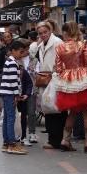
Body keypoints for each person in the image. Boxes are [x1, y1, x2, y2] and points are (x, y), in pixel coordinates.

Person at [54, 21, 87, 153]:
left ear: (65, 32)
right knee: (86, 112)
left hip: (68, 81)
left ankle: (65, 140)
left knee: (71, 112)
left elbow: (58, 67)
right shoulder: (82, 44)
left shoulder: (60, 47)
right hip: (83, 78)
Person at [35, 20, 67, 150]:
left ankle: (57, 139)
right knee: (48, 109)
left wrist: (56, 72)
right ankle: (53, 138)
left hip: (55, 78)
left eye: (45, 32)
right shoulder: (41, 44)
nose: (43, 35)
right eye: (40, 33)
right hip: (45, 78)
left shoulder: (58, 43)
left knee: (57, 109)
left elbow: (63, 60)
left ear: (50, 31)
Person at [0, 39, 29, 155]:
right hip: (10, 94)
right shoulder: (12, 63)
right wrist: (17, 95)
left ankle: (6, 143)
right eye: (20, 52)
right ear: (13, 51)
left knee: (7, 118)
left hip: (7, 93)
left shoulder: (10, 61)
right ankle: (11, 143)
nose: (22, 55)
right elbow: (13, 82)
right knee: (10, 118)